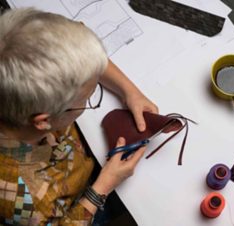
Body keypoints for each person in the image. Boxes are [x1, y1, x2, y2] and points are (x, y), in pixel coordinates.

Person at [0, 8, 158, 225]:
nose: (89, 99)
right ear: (43, 121)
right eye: (87, 98)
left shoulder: (19, 44)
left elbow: (81, 54)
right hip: (77, 205)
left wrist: (129, 91)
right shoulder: (24, 200)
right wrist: (102, 187)